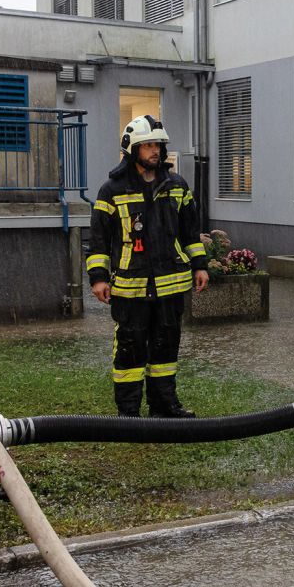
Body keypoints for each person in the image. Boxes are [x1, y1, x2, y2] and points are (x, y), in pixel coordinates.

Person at [86, 116, 208, 418]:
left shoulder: (177, 185)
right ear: (132, 149)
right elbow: (99, 240)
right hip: (131, 287)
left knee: (166, 348)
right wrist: (99, 278)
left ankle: (164, 407)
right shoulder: (111, 190)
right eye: (148, 145)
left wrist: (200, 265)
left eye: (158, 145)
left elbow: (190, 232)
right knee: (130, 349)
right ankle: (128, 414)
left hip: (172, 284)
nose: (155, 151)